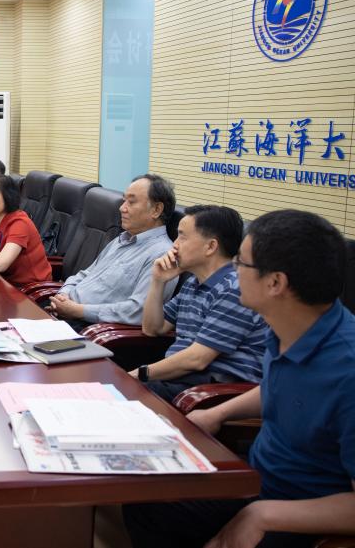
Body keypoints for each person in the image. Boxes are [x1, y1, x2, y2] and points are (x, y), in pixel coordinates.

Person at [124, 210, 355, 548]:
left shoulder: (346, 370)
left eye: (241, 263)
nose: (232, 270)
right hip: (259, 479)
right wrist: (216, 413)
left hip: (304, 513)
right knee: (147, 498)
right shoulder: (287, 327)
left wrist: (263, 515)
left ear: (275, 283)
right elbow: (278, 388)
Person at [129, 205, 267, 403]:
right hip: (182, 380)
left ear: (210, 247)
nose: (174, 244)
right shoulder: (194, 282)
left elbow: (197, 359)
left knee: (121, 393)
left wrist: (140, 374)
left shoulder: (234, 288)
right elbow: (152, 329)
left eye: (182, 237)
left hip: (211, 390)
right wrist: (158, 281)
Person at [50, 174, 176, 328]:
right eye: (124, 200)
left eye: (131, 202)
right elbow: (86, 274)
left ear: (156, 210)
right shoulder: (122, 239)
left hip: (90, 326)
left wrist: (78, 311)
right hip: (65, 310)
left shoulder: (162, 255)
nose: (122, 208)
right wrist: (63, 294)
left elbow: (137, 310)